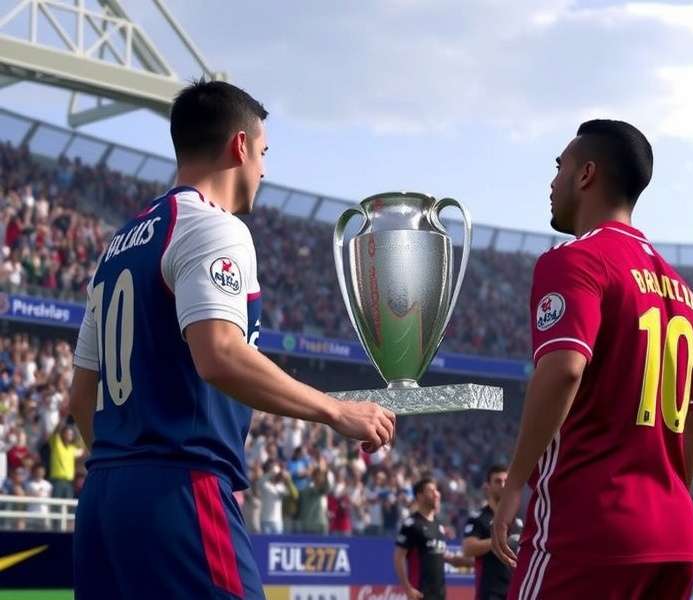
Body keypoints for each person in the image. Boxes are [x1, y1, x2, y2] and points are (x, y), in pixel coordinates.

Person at [69, 80, 396, 600]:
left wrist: (127, 467)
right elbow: (220, 354)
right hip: (178, 487)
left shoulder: (120, 245)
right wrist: (337, 410)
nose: (264, 169)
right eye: (263, 152)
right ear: (240, 146)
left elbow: (81, 395)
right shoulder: (212, 227)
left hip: (104, 498)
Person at [491, 120, 693, 600]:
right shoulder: (684, 293)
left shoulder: (575, 260)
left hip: (587, 532)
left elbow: (566, 368)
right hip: (675, 537)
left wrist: (515, 484)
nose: (551, 182)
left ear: (586, 173)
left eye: (558, 167)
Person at [394, 478, 467, 600]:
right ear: (420, 496)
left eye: (437, 490)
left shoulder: (439, 525)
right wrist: (408, 589)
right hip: (420, 594)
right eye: (431, 491)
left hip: (440, 594)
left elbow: (443, 555)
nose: (437, 494)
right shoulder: (411, 524)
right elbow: (398, 558)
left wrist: (472, 561)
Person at [463, 465, 522, 600]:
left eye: (506, 481)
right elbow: (468, 549)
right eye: (498, 481)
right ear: (487, 486)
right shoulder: (478, 518)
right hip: (490, 592)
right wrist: (499, 540)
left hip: (515, 591)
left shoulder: (518, 520)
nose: (503, 485)